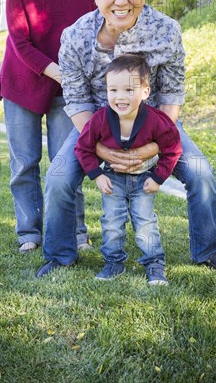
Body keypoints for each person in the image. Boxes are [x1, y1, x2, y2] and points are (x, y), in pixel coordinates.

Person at [36, 0, 216, 277]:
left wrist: (152, 147)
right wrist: (102, 148)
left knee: (201, 173)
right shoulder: (73, 37)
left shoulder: (167, 31)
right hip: (95, 125)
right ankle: (60, 255)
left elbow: (172, 94)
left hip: (158, 122)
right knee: (59, 177)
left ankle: (208, 250)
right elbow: (76, 100)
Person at [0, 0, 96, 253]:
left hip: (67, 89)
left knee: (67, 161)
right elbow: (19, 40)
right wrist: (60, 72)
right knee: (24, 163)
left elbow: (96, 33)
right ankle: (29, 233)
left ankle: (76, 232)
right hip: (23, 83)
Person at [74, 54, 183, 284]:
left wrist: (158, 177)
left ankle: (155, 264)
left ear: (145, 92)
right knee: (112, 223)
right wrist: (96, 174)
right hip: (113, 178)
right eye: (113, 90)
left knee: (145, 223)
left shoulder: (156, 120)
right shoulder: (101, 119)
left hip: (144, 179)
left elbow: (172, 148)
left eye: (128, 90)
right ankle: (113, 263)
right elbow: (83, 147)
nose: (120, 97)